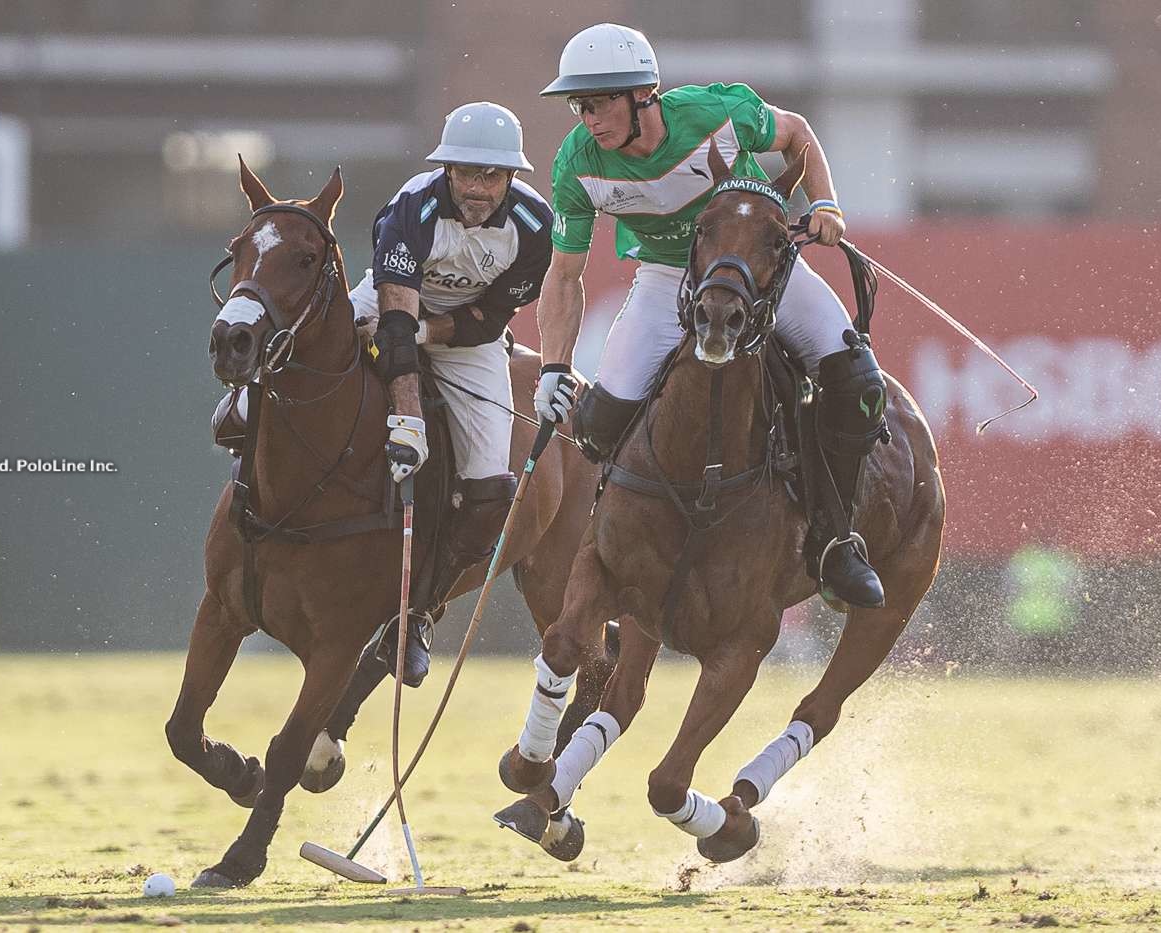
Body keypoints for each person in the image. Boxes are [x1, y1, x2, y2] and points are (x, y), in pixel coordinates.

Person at [530, 23, 888, 608]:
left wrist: (824, 203)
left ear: (642, 94)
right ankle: (618, 557)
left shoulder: (716, 113)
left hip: (758, 269)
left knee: (858, 385)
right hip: (667, 279)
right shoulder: (578, 165)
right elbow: (565, 277)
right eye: (580, 105)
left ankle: (833, 542)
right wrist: (552, 367)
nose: (588, 118)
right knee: (599, 420)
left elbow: (798, 136)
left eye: (599, 103)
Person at [358, 101, 554, 684]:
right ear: (447, 170)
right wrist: (408, 421)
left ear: (512, 177)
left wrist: (428, 331)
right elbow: (392, 321)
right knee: (307, 359)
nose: (477, 186)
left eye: (491, 175)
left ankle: (417, 615)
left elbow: (489, 322)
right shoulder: (411, 208)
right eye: (466, 172)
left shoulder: (535, 230)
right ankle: (242, 418)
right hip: (388, 307)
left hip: (464, 336)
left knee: (493, 492)